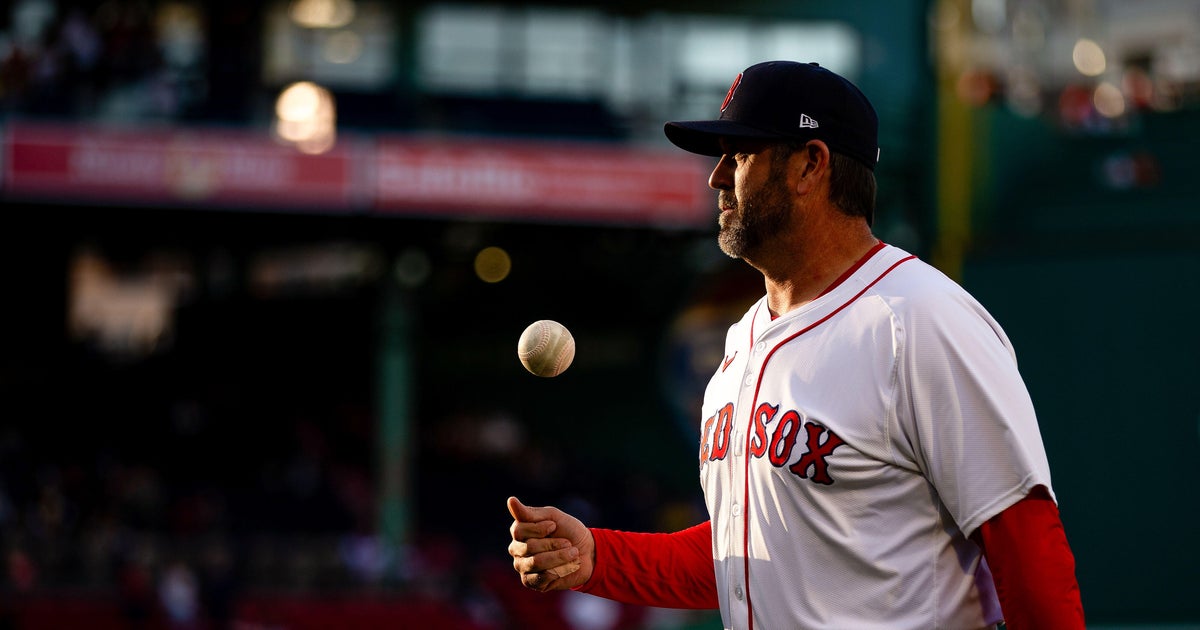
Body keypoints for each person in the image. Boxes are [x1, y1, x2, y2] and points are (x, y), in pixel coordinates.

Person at [505, 60, 1085, 629]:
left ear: (810, 164)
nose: (716, 177)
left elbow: (1026, 544)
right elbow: (753, 557)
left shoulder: (919, 319)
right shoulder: (741, 341)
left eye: (739, 155)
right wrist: (599, 557)